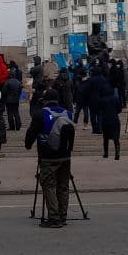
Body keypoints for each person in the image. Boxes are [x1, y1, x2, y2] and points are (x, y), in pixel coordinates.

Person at [25, 89, 76, 228]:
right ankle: (62, 215)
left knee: (49, 185)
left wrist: (28, 145)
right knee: (63, 186)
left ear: (45, 100)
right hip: (65, 156)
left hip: (48, 156)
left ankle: (54, 217)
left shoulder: (41, 114)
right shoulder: (68, 114)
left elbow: (31, 134)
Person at [101, 86, 122, 160]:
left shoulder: (102, 100)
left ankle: (106, 154)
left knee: (105, 138)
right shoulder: (116, 99)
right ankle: (117, 154)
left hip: (105, 120)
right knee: (116, 138)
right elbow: (119, 110)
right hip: (115, 119)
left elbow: (99, 109)